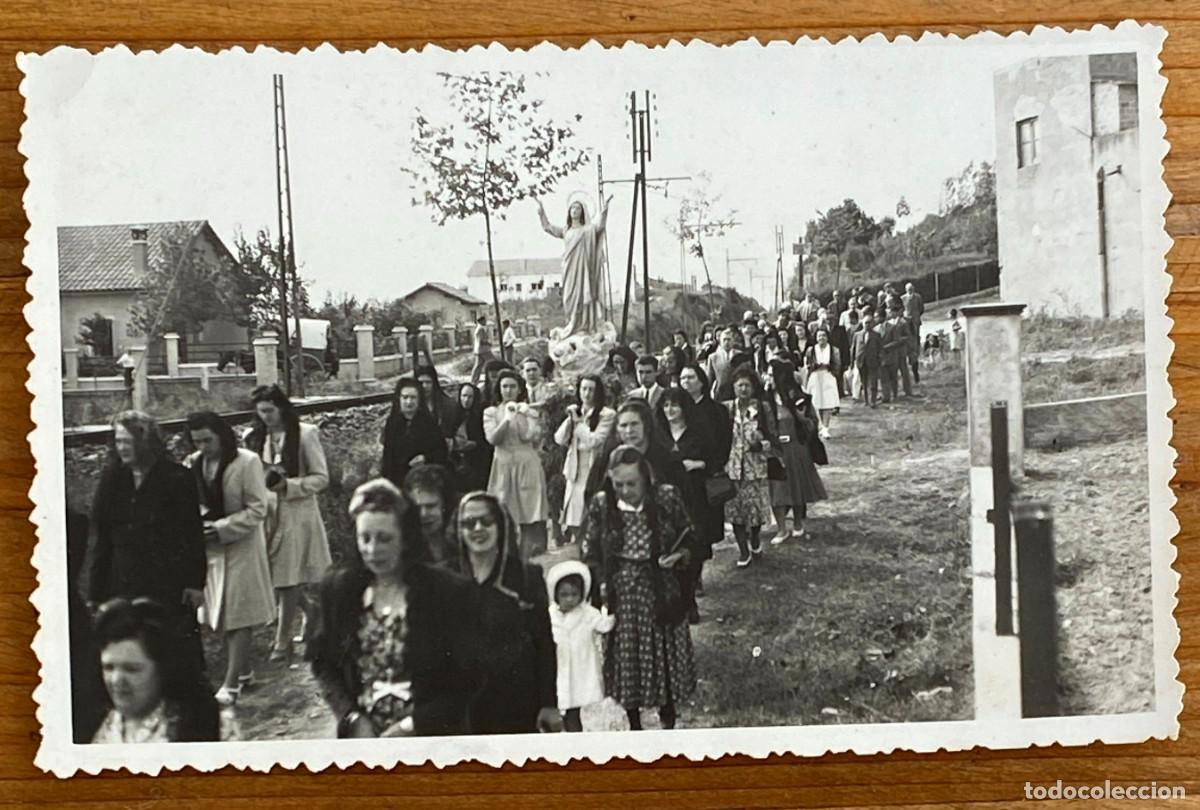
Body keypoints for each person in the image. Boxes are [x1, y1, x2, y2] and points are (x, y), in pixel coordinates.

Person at [309, 478, 477, 737]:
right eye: (365, 538)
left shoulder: (445, 591)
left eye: (385, 539)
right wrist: (351, 717)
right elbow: (323, 663)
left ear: (406, 539)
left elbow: (469, 679)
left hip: (432, 737)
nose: (373, 550)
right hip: (364, 741)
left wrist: (414, 725)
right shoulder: (340, 590)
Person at [581, 445, 698, 730]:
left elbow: (691, 537)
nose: (625, 490)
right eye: (618, 484)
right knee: (628, 657)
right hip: (622, 594)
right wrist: (603, 581)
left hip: (661, 590)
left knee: (664, 655)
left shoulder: (666, 498)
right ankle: (634, 722)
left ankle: (667, 717)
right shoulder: (602, 504)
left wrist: (679, 556)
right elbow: (589, 550)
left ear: (646, 478)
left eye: (631, 483)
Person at [89, 410, 207, 674]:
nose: (122, 448)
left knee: (174, 653)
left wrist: (195, 582)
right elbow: (103, 540)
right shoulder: (112, 479)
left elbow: (192, 534)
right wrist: (96, 594)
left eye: (127, 442)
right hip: (123, 580)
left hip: (167, 581)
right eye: (118, 441)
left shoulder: (177, 478)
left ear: (145, 442)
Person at [451, 492, 561, 734]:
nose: (478, 528)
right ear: (459, 529)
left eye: (486, 521)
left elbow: (543, 644)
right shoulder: (445, 579)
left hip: (518, 705)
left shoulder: (526, 577)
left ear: (500, 525)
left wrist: (549, 704)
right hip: (463, 709)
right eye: (469, 523)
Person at [186, 411, 275, 707]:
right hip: (211, 550)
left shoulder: (247, 462)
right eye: (197, 441)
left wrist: (222, 528)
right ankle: (245, 669)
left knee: (238, 615)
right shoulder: (194, 462)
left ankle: (231, 682)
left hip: (242, 547)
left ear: (221, 436)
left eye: (207, 440)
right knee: (219, 615)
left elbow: (258, 508)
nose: (203, 446)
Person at [245, 384, 332, 665]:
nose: (266, 417)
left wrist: (289, 485)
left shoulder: (305, 434)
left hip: (296, 514)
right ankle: (310, 609)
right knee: (274, 576)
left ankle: (282, 641)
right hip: (266, 513)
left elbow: (321, 478)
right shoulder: (254, 438)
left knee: (287, 578)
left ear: (282, 408)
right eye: (261, 412)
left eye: (270, 411)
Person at [91, 597, 230, 743]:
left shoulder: (211, 726)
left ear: (162, 669)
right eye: (108, 667)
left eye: (132, 669)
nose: (116, 680)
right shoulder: (100, 725)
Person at [656, 388, 714, 624]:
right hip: (666, 498)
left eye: (675, 405)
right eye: (666, 405)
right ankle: (677, 598)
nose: (670, 410)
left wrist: (698, 463)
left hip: (693, 495)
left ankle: (690, 599)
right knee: (669, 547)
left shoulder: (698, 431)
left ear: (684, 407)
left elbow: (716, 459)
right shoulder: (658, 433)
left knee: (693, 545)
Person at [677, 363, 733, 594]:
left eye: (690, 377)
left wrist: (707, 464)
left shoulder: (716, 411)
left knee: (702, 529)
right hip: (681, 479)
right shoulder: (675, 409)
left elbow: (724, 444)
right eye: (682, 378)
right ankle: (687, 575)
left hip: (705, 478)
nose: (685, 382)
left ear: (701, 381)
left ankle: (696, 575)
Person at [483, 369, 550, 560]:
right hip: (503, 467)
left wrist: (526, 414)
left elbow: (529, 437)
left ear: (519, 389)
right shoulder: (491, 412)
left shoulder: (529, 412)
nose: (508, 390)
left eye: (513, 386)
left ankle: (533, 560)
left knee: (530, 515)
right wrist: (506, 419)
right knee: (504, 515)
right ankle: (509, 562)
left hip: (527, 466)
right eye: (504, 386)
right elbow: (493, 439)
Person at [547, 560, 615, 733]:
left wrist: (613, 611)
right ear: (555, 595)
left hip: (578, 669)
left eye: (574, 594)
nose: (569, 599)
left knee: (573, 711)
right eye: (564, 595)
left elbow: (604, 625)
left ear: (582, 594)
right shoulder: (551, 615)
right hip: (559, 667)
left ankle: (575, 741)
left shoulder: (587, 613)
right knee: (558, 706)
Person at [584, 399, 687, 509]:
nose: (629, 431)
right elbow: (591, 494)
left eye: (634, 424)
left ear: (646, 425)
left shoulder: (667, 459)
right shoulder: (606, 459)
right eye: (623, 426)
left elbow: (682, 498)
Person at [765, 362, 826, 544]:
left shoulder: (797, 397)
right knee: (776, 488)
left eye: (770, 374)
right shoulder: (765, 399)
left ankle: (798, 523)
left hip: (796, 448)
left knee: (797, 485)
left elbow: (812, 423)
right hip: (775, 449)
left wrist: (801, 417)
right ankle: (781, 528)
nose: (767, 378)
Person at [537, 195, 613, 338]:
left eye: (578, 208)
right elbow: (547, 227)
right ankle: (572, 324)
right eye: (572, 208)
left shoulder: (587, 230)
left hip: (584, 269)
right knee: (568, 298)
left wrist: (604, 210)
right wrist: (541, 212)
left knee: (583, 296)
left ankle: (584, 326)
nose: (575, 210)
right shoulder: (566, 230)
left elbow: (600, 227)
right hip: (569, 269)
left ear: (582, 211)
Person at [724, 366, 778, 568]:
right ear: (734, 387)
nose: (744, 389)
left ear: (754, 387)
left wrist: (761, 444)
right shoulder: (727, 409)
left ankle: (755, 538)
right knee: (735, 511)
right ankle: (743, 551)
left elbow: (773, 436)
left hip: (755, 468)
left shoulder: (763, 408)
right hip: (732, 468)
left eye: (747, 385)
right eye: (740, 385)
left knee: (755, 511)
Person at [555, 373, 615, 546]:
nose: (587, 394)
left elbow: (594, 441)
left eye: (591, 390)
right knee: (574, 517)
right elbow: (559, 439)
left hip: (594, 467)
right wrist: (570, 420)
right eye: (584, 389)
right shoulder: (576, 412)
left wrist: (579, 423)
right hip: (575, 468)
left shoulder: (607, 414)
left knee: (591, 515)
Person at [381, 377, 449, 489]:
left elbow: (441, 452)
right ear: (399, 399)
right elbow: (387, 456)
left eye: (413, 398)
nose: (409, 402)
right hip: (397, 481)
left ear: (419, 400)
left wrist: (426, 458)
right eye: (405, 397)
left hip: (422, 481)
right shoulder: (393, 423)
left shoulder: (429, 423)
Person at [402, 464, 459, 566]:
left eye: (430, 506)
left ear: (445, 504)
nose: (423, 514)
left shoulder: (461, 538)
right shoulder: (405, 546)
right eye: (417, 507)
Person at [447, 382, 492, 493]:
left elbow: (486, 442)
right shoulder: (452, 415)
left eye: (470, 397)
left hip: (476, 462)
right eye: (464, 396)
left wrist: (475, 444)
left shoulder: (480, 416)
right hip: (456, 461)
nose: (466, 400)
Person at [804, 328, 841, 439]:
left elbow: (837, 364)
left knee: (828, 403)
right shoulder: (811, 350)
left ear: (827, 337)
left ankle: (826, 428)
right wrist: (814, 366)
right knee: (818, 403)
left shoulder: (833, 350)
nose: (821, 338)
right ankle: (822, 426)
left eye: (824, 335)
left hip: (827, 376)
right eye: (819, 336)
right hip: (815, 377)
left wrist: (830, 370)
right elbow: (807, 363)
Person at [879, 305, 914, 402]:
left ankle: (908, 391)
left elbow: (907, 336)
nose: (891, 314)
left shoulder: (903, 322)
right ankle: (892, 392)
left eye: (892, 312)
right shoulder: (888, 323)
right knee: (892, 373)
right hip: (891, 351)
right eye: (889, 312)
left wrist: (899, 340)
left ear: (897, 312)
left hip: (901, 350)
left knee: (904, 371)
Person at [850, 310, 883, 407]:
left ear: (872, 324)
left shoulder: (876, 335)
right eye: (865, 323)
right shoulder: (857, 335)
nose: (867, 325)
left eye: (869, 323)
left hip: (873, 361)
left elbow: (880, 349)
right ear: (862, 323)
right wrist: (852, 362)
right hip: (861, 361)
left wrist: (880, 359)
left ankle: (873, 400)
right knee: (863, 382)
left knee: (873, 382)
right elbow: (853, 349)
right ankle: (866, 401)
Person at [415, 364, 456, 439]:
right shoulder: (412, 404)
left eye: (428, 382)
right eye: (421, 383)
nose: (424, 386)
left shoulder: (448, 404)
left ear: (434, 383)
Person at [703, 327, 737, 401]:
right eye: (724, 340)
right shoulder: (713, 357)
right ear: (720, 342)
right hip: (720, 395)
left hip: (736, 393)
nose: (726, 342)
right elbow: (709, 380)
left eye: (729, 339)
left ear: (733, 341)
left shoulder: (740, 355)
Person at [470, 316, 495, 386]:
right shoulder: (480, 329)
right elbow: (481, 341)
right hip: (484, 350)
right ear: (480, 321)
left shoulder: (480, 328)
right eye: (484, 321)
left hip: (479, 350)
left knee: (478, 366)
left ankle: (474, 381)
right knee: (493, 362)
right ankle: (494, 377)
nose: (485, 322)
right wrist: (489, 343)